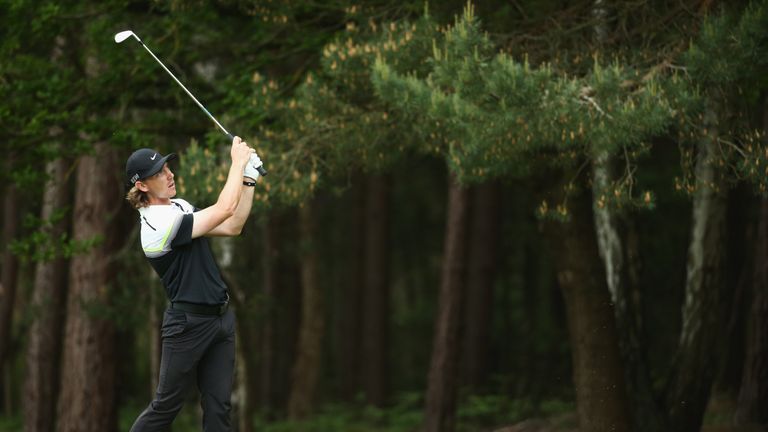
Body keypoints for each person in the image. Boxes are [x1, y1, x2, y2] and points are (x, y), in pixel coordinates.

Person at [124, 136, 262, 432]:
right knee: (165, 406)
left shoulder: (180, 206)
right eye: (159, 172)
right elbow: (224, 208)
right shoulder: (156, 225)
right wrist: (237, 162)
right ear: (142, 186)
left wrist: (248, 178)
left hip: (220, 321)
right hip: (187, 325)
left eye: (167, 167)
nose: (169, 174)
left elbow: (232, 225)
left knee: (219, 407)